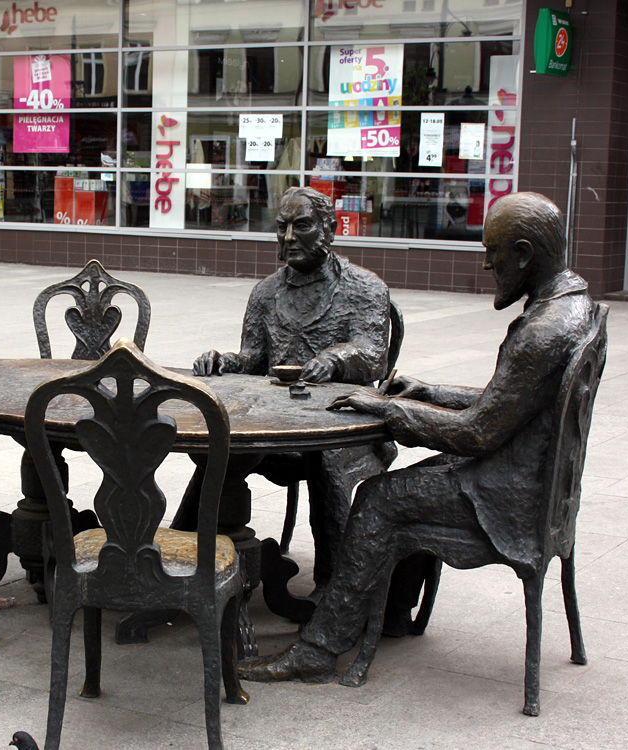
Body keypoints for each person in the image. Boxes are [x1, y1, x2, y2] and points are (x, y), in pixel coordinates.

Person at [237, 191, 596, 684]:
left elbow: (478, 431)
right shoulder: (572, 307)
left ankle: (319, 649)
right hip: (529, 473)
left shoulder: (542, 330)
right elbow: (507, 397)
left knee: (379, 499)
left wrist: (392, 409)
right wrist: (430, 391)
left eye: (493, 252)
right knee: (403, 488)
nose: (487, 264)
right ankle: (391, 611)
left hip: (509, 492)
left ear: (525, 254)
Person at [178, 185, 394, 585]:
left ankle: (337, 586)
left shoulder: (365, 289)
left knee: (323, 459)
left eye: (302, 225)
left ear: (328, 228)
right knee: (217, 444)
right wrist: (225, 361)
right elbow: (254, 358)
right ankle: (187, 552)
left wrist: (336, 357)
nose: (290, 237)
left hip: (344, 427)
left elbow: (371, 353)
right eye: (282, 227)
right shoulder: (266, 292)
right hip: (275, 423)